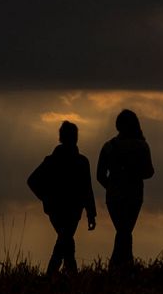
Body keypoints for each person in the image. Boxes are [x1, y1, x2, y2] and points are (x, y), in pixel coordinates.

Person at [28, 121, 96, 274]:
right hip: (68, 209)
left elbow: (87, 189)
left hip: (59, 210)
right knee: (66, 240)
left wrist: (46, 198)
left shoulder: (54, 160)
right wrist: (91, 213)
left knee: (65, 240)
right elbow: (87, 189)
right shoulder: (79, 161)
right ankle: (62, 275)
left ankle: (60, 275)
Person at [97, 109, 155, 267]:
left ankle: (120, 268)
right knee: (125, 232)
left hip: (114, 197)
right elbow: (149, 172)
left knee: (123, 232)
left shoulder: (108, 147)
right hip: (134, 196)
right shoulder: (142, 146)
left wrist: (112, 187)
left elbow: (99, 175)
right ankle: (122, 267)